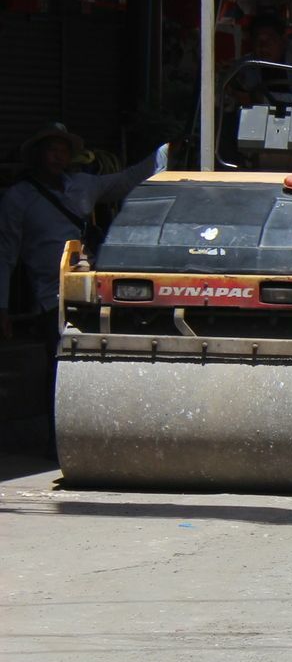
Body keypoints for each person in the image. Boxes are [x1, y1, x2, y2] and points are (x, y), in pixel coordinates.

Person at [0, 126, 167, 440]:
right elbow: (5, 253)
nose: (58, 156)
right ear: (36, 155)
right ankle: (57, 439)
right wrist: (2, 306)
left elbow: (127, 180)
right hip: (50, 296)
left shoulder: (82, 186)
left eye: (63, 150)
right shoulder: (18, 198)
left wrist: (166, 150)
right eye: (51, 149)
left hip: (92, 290)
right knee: (59, 367)